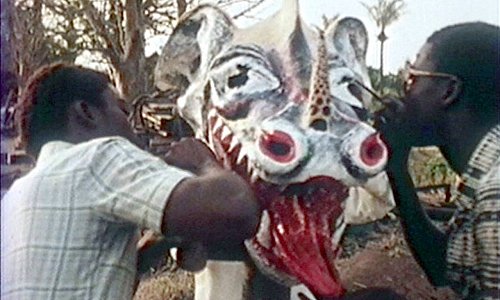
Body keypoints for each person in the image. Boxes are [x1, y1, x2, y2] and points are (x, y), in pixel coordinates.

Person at [0, 63, 261, 299]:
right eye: (122, 110)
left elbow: (77, 273)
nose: (133, 128)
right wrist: (204, 162)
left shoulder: (13, 199)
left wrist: (152, 248)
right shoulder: (99, 156)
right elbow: (237, 209)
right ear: (86, 113)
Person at [379, 22, 499, 299]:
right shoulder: (483, 175)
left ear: (448, 91)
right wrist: (397, 168)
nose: (403, 93)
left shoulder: (496, 192)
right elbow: (443, 267)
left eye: (411, 80)